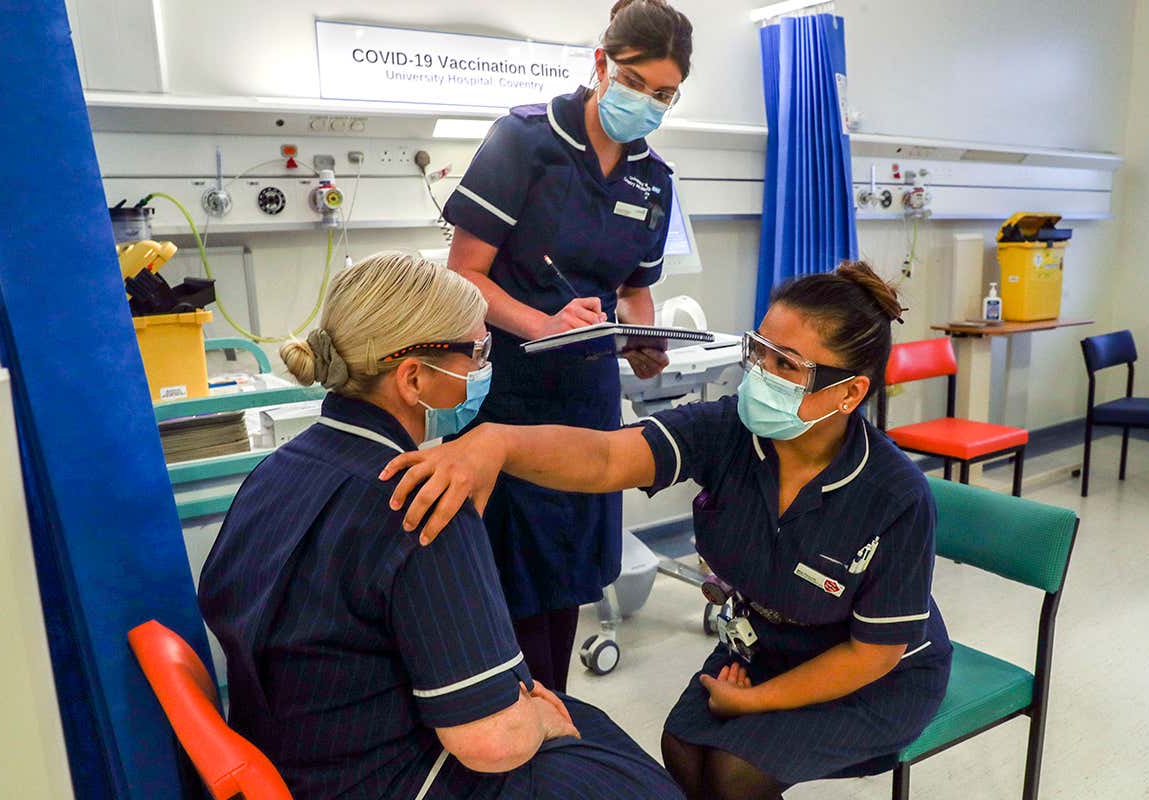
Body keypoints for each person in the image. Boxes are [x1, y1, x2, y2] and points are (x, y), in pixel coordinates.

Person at [381, 262, 954, 800]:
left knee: (734, 774)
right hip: (765, 645)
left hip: (873, 675)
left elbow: (873, 655)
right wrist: (496, 443)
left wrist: (756, 702)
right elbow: (606, 458)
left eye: (787, 365)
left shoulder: (892, 495)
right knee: (682, 750)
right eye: (759, 351)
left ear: (849, 392)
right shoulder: (729, 432)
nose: (760, 374)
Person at [197, 252, 684, 800]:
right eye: (477, 352)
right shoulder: (425, 505)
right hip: (386, 779)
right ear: (412, 377)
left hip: (291, 754)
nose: (483, 369)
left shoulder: (275, 471)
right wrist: (541, 720)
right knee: (608, 754)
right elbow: (494, 743)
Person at [441, 0, 693, 692]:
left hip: (589, 402)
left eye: (665, 94)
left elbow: (636, 289)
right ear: (602, 64)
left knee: (569, 585)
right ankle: (514, 725)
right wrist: (542, 323)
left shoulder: (654, 179)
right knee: (513, 588)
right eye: (637, 83)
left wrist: (643, 340)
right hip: (510, 397)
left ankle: (552, 720)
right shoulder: (523, 141)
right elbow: (463, 277)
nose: (648, 102)